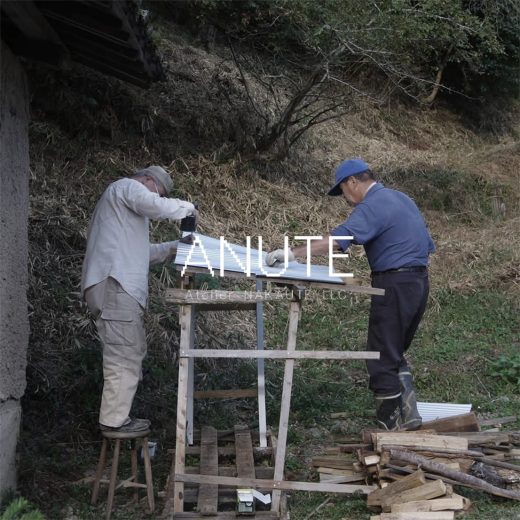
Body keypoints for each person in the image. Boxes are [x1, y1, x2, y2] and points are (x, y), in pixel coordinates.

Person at [266, 159, 435, 431]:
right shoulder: (402, 199)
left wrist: (292, 254)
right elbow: (426, 244)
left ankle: (390, 427)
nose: (345, 199)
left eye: (343, 191)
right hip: (419, 281)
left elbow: (339, 240)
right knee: (393, 349)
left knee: (380, 355)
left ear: (353, 182)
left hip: (394, 282)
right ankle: (410, 415)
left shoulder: (373, 204)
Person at [81, 165, 198, 433]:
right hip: (115, 284)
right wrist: (188, 208)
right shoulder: (126, 187)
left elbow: (141, 253)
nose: (158, 198)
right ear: (147, 179)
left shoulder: (122, 211)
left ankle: (116, 418)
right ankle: (113, 422)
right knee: (124, 354)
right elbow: (155, 205)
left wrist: (175, 247)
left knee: (129, 350)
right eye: (159, 192)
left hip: (115, 284)